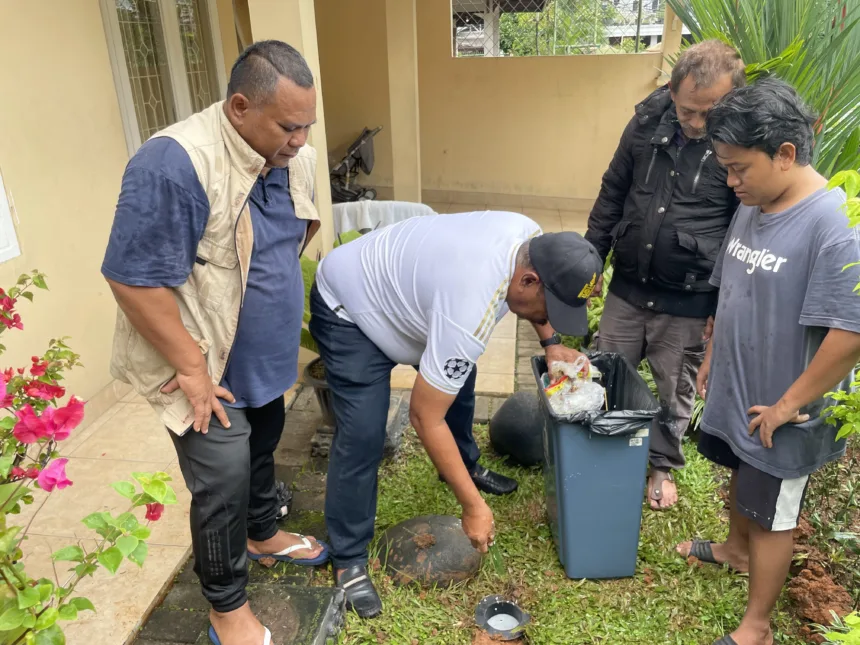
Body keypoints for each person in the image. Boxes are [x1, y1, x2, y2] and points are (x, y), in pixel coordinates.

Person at [102, 41, 329, 645]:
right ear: (238, 106)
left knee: (264, 442)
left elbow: (289, 238)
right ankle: (226, 604)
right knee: (222, 474)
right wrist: (193, 368)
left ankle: (263, 532)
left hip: (264, 353)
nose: (301, 141)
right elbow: (133, 277)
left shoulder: (291, 156)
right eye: (288, 126)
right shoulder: (174, 164)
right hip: (202, 360)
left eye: (307, 125)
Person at [308, 212, 602, 617]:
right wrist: (473, 508)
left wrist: (550, 341)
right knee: (363, 433)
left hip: (410, 297)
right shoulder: (470, 306)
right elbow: (424, 416)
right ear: (528, 281)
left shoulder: (531, 240)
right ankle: (348, 558)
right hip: (351, 308)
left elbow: (534, 302)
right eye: (550, 308)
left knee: (461, 382)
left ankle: (460, 466)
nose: (547, 315)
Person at [676, 78, 860, 645]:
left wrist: (788, 405)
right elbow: (735, 284)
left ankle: (757, 626)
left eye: (738, 168)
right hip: (740, 384)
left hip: (786, 407)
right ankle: (734, 551)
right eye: (724, 167)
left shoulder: (834, 227)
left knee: (774, 510)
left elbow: (850, 333)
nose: (730, 182)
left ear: (785, 154)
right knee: (738, 470)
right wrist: (712, 355)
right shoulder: (757, 201)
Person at [585, 40, 746, 510]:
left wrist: (722, 305)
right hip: (629, 285)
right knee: (603, 371)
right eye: (686, 110)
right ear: (672, 92)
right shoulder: (644, 122)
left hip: (691, 294)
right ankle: (600, 446)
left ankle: (661, 464)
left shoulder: (740, 140)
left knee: (674, 386)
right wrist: (593, 259)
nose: (695, 123)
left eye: (707, 112)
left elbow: (743, 227)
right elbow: (614, 190)